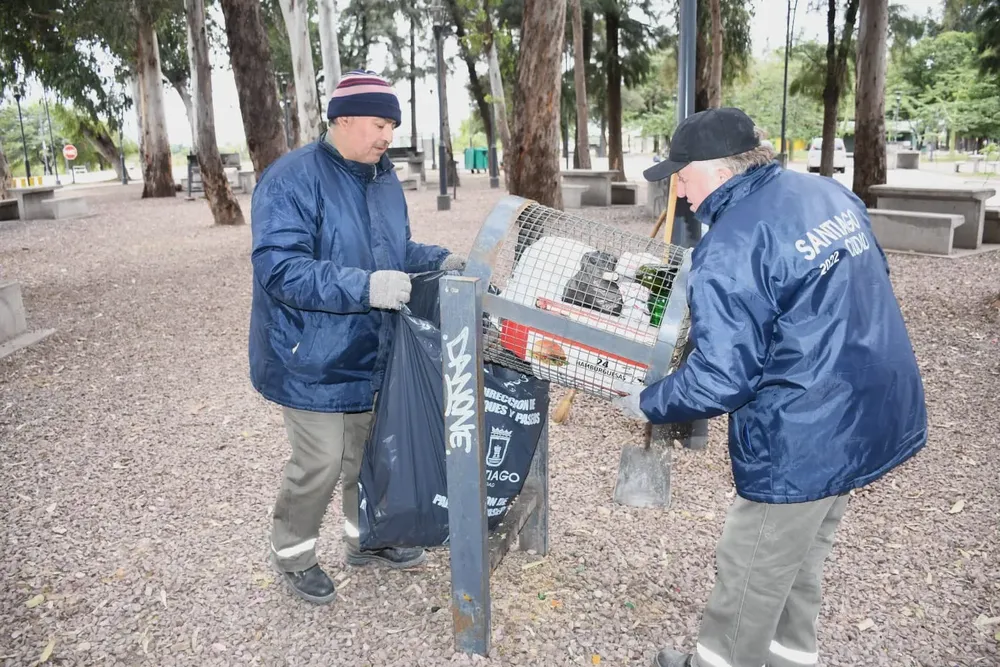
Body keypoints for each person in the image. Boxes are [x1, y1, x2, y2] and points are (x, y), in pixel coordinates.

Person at [612, 107, 928, 667]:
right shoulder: (824, 194)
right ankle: (790, 655)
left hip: (805, 431)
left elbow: (722, 377)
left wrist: (647, 401)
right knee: (800, 552)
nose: (679, 193)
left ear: (717, 169)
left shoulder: (732, 244)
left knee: (751, 561)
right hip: (869, 408)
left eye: (682, 176)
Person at [248, 70, 466, 605]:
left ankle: (365, 539)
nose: (387, 135)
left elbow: (397, 249)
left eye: (392, 124)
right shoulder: (291, 179)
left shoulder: (383, 176)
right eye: (378, 123)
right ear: (342, 119)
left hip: (372, 349)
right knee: (320, 462)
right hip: (310, 354)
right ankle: (293, 554)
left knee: (366, 455)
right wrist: (366, 286)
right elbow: (279, 268)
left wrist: (441, 261)